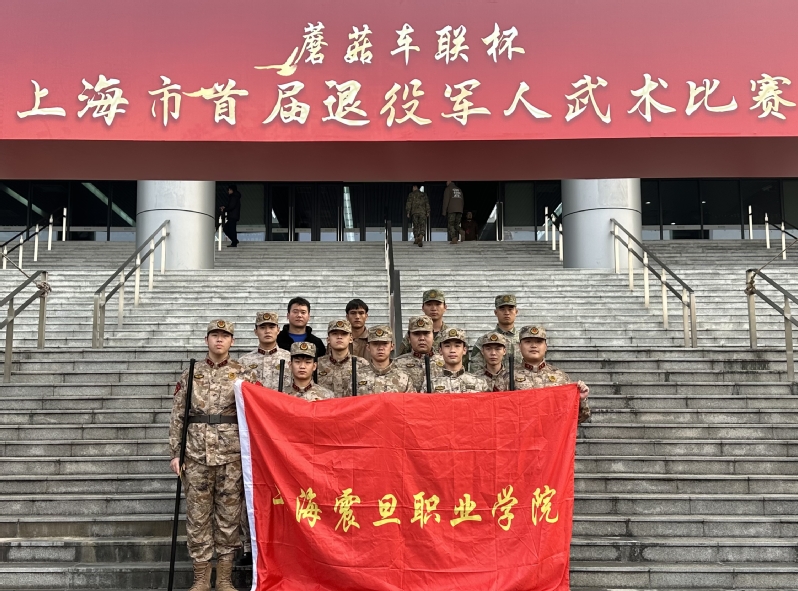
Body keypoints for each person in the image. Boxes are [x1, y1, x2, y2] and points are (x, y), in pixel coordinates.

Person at [169, 319, 258, 591]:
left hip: (231, 455)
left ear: (232, 341)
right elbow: (178, 414)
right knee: (197, 516)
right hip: (195, 454)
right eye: (214, 335)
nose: (219, 340)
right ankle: (201, 578)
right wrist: (176, 452)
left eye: (225, 336)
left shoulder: (244, 373)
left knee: (229, 517)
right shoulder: (191, 372)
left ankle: (224, 578)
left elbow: (255, 413)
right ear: (206, 339)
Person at [513, 325, 591, 423]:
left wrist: (580, 400)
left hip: (552, 436)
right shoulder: (507, 377)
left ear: (546, 347)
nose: (533, 345)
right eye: (528, 342)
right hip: (521, 437)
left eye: (539, 342)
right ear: (519, 346)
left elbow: (578, 418)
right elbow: (497, 416)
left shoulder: (561, 377)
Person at [421, 328, 489, 393]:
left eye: (457, 346)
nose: (452, 350)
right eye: (447, 346)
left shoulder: (479, 383)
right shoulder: (430, 385)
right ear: (440, 350)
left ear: (464, 350)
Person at [470, 294, 523, 374]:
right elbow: (476, 370)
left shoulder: (524, 340)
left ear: (516, 311)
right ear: (495, 312)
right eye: (502, 309)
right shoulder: (484, 340)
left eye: (510, 309)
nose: (507, 313)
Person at [238, 311, 291, 389]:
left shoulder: (289, 358)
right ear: (256, 332)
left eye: (271, 327)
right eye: (262, 327)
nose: (267, 331)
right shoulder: (244, 361)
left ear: (278, 330)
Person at [317, 319, 369, 397]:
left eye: (344, 334)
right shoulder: (317, 365)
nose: (339, 337)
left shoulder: (362, 365)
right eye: (335, 334)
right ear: (328, 339)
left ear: (351, 339)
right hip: (326, 408)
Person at [355, 326, 415, 394]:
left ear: (392, 346)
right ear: (368, 347)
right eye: (375, 344)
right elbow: (349, 402)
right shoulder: (357, 376)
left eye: (385, 343)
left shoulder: (404, 376)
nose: (380, 348)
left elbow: (410, 403)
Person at [394, 315, 445, 391]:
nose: (422, 338)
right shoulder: (396, 365)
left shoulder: (445, 363)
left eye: (426, 333)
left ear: (433, 336)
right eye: (417, 334)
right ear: (409, 338)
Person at [397, 289, 450, 356]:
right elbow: (400, 359)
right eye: (429, 304)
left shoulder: (450, 335)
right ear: (423, 308)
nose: (434, 308)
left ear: (445, 307)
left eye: (438, 304)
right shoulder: (413, 335)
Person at [442, 180, 464, 244]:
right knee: (456, 224)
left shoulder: (448, 189)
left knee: (451, 224)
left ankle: (454, 238)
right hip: (459, 210)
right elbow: (462, 201)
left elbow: (446, 200)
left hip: (452, 210)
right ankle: (461, 231)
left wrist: (444, 211)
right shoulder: (459, 190)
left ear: (449, 182)